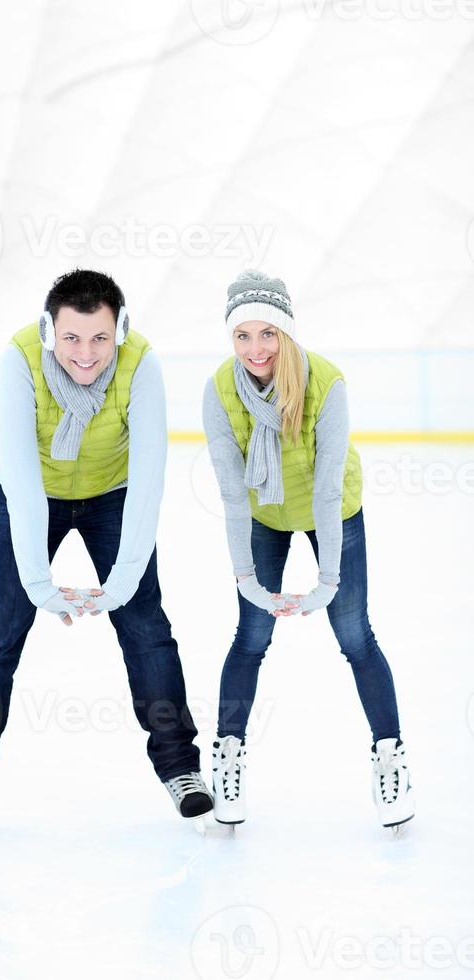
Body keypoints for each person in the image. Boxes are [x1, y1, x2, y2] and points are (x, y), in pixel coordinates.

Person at [0, 268, 212, 836]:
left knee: (145, 626)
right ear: (49, 331)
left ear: (120, 331)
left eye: (100, 339)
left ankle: (182, 769)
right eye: (72, 339)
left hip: (114, 496)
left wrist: (126, 576)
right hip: (34, 491)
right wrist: (38, 583)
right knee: (1, 627)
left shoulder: (141, 363)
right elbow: (18, 469)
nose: (86, 354)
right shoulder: (19, 360)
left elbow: (150, 474)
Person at [203, 269, 414, 831]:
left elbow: (325, 486)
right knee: (251, 636)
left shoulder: (326, 382)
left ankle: (391, 756)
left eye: (267, 334)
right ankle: (227, 757)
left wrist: (327, 581)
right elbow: (229, 490)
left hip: (332, 511)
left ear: (287, 333)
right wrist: (246, 578)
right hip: (264, 514)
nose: (255, 349)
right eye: (242, 336)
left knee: (354, 635)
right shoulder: (221, 389)